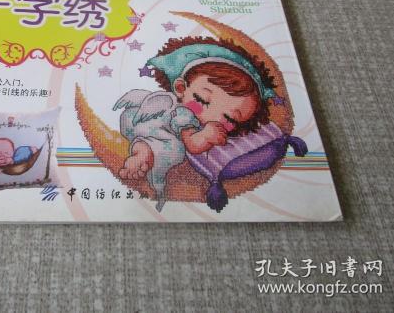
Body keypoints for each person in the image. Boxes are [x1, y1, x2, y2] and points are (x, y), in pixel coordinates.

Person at [114, 36, 276, 211]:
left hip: (136, 120)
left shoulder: (192, 113)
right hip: (150, 124)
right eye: (202, 100)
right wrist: (206, 136)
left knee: (157, 140)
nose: (211, 116)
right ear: (181, 88)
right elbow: (193, 144)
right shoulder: (186, 115)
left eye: (229, 119)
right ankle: (143, 152)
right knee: (174, 148)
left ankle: (142, 149)